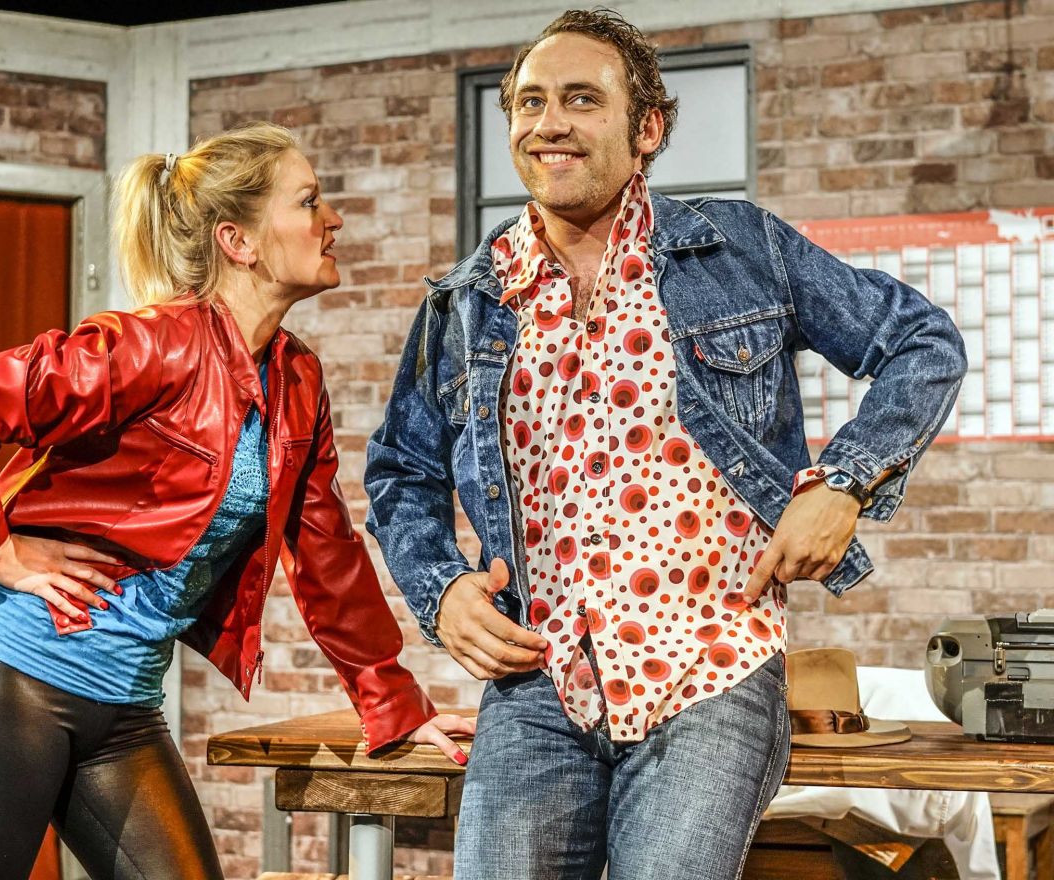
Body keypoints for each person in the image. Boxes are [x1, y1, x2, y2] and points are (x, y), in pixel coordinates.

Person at [364, 9, 966, 879]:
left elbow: (921, 341)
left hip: (710, 672)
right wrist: (442, 589)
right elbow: (400, 469)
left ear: (646, 128)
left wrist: (843, 483)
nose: (549, 123)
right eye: (530, 102)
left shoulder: (739, 249)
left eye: (582, 99)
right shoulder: (468, 301)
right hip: (538, 684)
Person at [0, 121, 473, 880]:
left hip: (123, 704)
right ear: (239, 241)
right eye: (309, 202)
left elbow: (327, 556)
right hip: (6, 678)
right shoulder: (151, 344)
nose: (332, 219)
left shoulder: (295, 378)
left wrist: (394, 703)